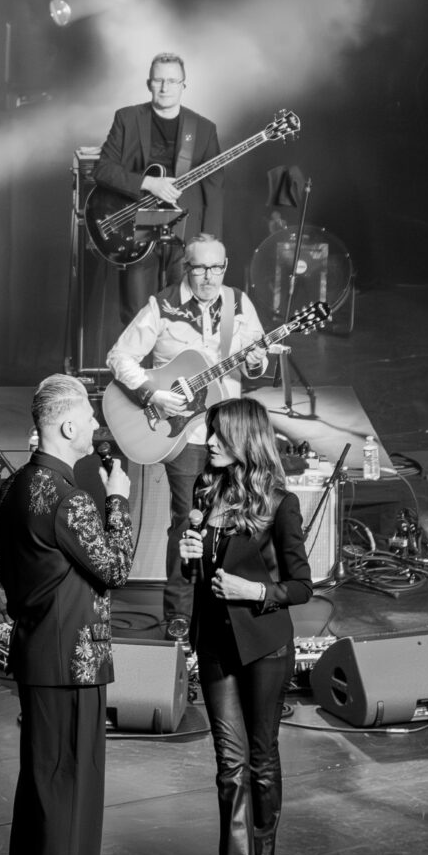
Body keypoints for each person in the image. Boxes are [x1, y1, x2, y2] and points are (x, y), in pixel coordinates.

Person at [0, 374, 134, 855]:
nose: (97, 427)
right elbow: (115, 568)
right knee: (71, 797)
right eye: (91, 419)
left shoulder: (15, 486)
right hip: (73, 663)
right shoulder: (69, 498)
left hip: (37, 652)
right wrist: (118, 499)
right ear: (70, 425)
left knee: (41, 791)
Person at [177, 398, 310, 855]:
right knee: (229, 768)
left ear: (246, 439)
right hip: (215, 645)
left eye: (219, 434)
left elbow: (301, 586)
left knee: (261, 764)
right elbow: (199, 573)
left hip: (264, 648)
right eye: (209, 432)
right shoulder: (205, 488)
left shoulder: (281, 503)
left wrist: (252, 591)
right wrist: (189, 556)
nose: (209, 442)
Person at [108, 231, 271, 638]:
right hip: (183, 433)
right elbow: (119, 356)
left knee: (237, 517)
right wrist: (152, 394)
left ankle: (229, 605)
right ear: (186, 267)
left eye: (217, 268)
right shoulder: (162, 306)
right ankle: (179, 613)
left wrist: (255, 361)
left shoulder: (238, 304)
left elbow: (255, 363)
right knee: (187, 521)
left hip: (230, 431)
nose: (210, 277)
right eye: (200, 268)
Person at [95, 55, 223, 322]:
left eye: (172, 81)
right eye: (159, 80)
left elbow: (213, 191)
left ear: (183, 85)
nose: (165, 87)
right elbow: (103, 169)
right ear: (148, 84)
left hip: (185, 231)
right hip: (137, 226)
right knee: (137, 316)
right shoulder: (127, 118)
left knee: (184, 314)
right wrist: (149, 183)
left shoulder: (203, 128)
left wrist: (211, 244)